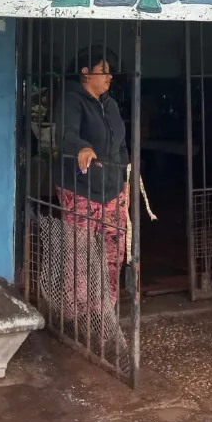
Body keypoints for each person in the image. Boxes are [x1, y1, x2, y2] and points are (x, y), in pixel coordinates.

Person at [56, 45, 130, 319]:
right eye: (104, 71)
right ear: (86, 73)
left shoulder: (109, 104)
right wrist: (82, 148)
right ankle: (76, 312)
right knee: (80, 253)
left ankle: (105, 307)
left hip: (113, 189)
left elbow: (121, 145)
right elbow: (66, 134)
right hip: (81, 189)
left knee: (114, 250)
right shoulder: (71, 100)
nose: (110, 77)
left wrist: (126, 180)